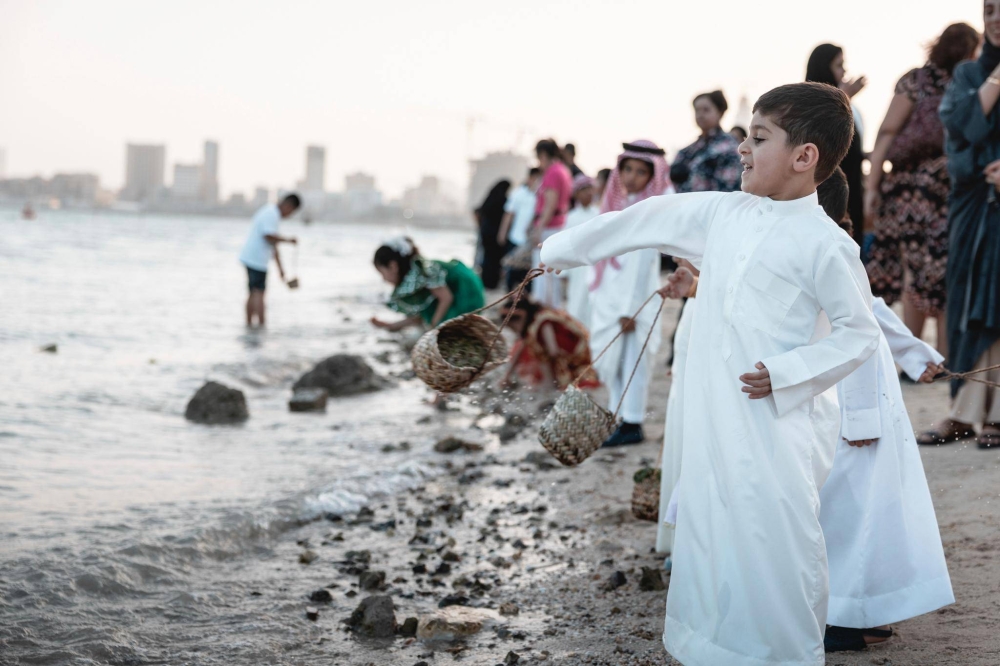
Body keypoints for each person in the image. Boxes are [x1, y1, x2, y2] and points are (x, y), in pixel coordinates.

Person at [541, 82, 879, 666]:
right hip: (714, 415)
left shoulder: (828, 244)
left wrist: (788, 371)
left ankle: (786, 655)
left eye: (759, 137)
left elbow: (859, 333)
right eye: (745, 134)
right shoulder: (724, 213)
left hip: (778, 426)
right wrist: (560, 251)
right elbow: (645, 218)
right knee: (712, 530)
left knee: (777, 543)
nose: (742, 148)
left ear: (805, 157)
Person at [814, 168, 955, 653]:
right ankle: (864, 611)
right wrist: (918, 357)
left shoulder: (824, 250)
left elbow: (860, 324)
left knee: (847, 513)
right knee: (867, 509)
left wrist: (861, 417)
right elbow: (874, 309)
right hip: (861, 400)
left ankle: (845, 617)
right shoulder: (835, 249)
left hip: (853, 403)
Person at [865, 24, 980, 359]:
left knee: (922, 272)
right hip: (929, 191)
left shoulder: (922, 81)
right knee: (932, 271)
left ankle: (923, 359)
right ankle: (932, 358)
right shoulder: (955, 82)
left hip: (923, 190)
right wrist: (873, 186)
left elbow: (887, 132)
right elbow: (887, 132)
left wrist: (874, 186)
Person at [929, 1, 1000, 449]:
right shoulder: (967, 75)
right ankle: (963, 410)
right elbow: (962, 128)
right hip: (973, 201)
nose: (996, 17)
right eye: (991, 9)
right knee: (968, 297)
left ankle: (994, 414)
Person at [590, 140, 671, 447]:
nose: (633, 177)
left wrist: (632, 309)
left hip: (634, 304)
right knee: (615, 361)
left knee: (633, 361)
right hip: (614, 300)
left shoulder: (651, 207)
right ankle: (617, 416)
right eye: (628, 170)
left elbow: (643, 264)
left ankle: (633, 422)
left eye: (641, 171)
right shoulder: (626, 203)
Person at [807, 43, 868, 247]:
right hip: (826, 194)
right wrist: (843, 97)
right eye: (839, 65)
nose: (844, 71)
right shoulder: (808, 104)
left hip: (851, 189)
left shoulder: (851, 108)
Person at [370, 237, 485, 331]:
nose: (383, 279)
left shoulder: (423, 271)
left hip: (465, 292)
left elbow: (446, 298)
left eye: (382, 273)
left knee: (447, 328)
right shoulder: (411, 280)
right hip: (453, 293)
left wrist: (433, 329)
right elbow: (418, 316)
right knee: (429, 313)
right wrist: (390, 326)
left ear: (393, 266)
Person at [498, 297, 598, 390]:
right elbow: (521, 347)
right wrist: (507, 375)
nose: (515, 330)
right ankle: (549, 382)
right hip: (563, 354)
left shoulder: (542, 320)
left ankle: (550, 383)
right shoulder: (533, 325)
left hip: (576, 355)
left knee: (539, 352)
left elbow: (553, 350)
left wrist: (545, 360)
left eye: (513, 326)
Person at [238, 193, 300, 327]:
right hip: (256, 260)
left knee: (253, 292)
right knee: (259, 293)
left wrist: (280, 269)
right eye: (291, 212)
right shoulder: (271, 214)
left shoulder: (270, 212)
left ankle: (249, 326)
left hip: (251, 257)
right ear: (288, 206)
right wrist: (289, 240)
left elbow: (273, 244)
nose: (289, 216)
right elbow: (269, 237)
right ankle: (260, 327)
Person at [669, 90, 743, 194]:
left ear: (720, 113)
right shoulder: (688, 150)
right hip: (684, 206)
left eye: (706, 110)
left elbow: (729, 188)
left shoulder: (729, 147)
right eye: (697, 110)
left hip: (714, 207)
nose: (700, 115)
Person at [531, 139, 573, 309]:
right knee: (550, 271)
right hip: (558, 225)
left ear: (543, 155)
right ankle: (549, 308)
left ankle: (543, 309)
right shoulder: (563, 170)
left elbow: (550, 203)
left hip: (549, 226)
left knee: (542, 272)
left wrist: (539, 228)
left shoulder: (553, 173)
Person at [563, 174, 600, 328]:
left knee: (593, 306)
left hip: (596, 266)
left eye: (590, 189)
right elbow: (565, 246)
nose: (588, 193)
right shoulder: (571, 217)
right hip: (577, 269)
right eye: (584, 190)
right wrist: (564, 273)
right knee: (576, 305)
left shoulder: (599, 213)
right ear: (576, 193)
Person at [497, 168, 541, 290]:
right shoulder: (518, 193)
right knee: (511, 269)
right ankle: (509, 297)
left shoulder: (541, 196)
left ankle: (524, 301)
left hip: (532, 240)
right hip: (516, 237)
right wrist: (502, 233)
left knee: (528, 273)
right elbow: (509, 214)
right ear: (530, 178)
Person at [474, 180, 510, 290]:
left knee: (487, 257)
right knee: (495, 259)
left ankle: (486, 282)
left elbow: (477, 211)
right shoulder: (504, 200)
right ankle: (492, 283)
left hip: (486, 232)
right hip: (496, 234)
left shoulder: (489, 198)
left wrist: (480, 227)